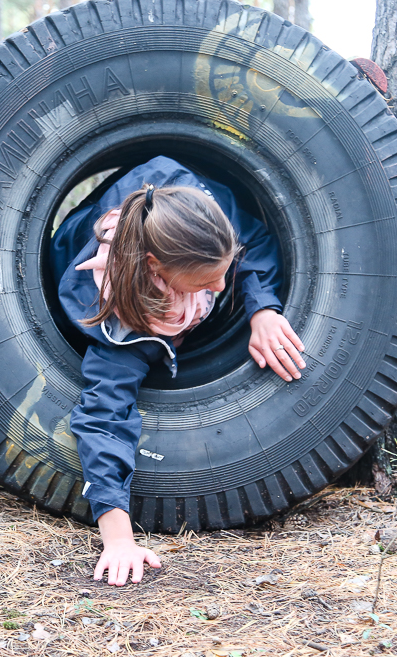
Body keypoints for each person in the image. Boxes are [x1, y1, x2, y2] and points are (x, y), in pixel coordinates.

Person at [50, 156, 306, 586]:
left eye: (224, 275)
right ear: (155, 269)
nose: (222, 290)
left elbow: (254, 241)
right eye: (206, 286)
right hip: (96, 278)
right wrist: (117, 539)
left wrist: (261, 308)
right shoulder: (121, 323)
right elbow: (103, 419)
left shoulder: (203, 213)